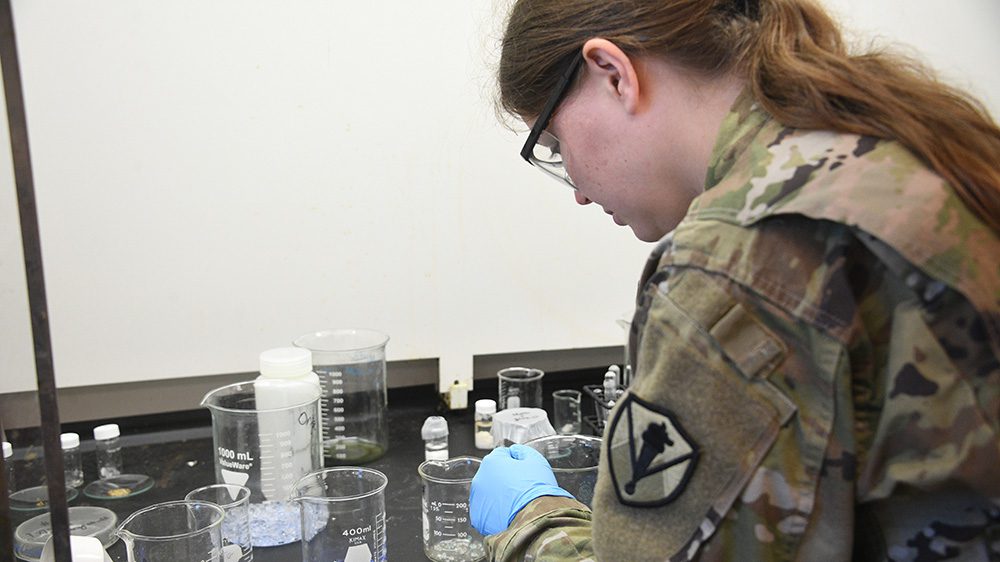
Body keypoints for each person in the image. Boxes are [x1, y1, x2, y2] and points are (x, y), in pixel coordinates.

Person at [468, 0, 1000, 560]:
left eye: (554, 144)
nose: (575, 187)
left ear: (613, 74)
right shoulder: (907, 146)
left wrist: (533, 520)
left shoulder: (743, 262)